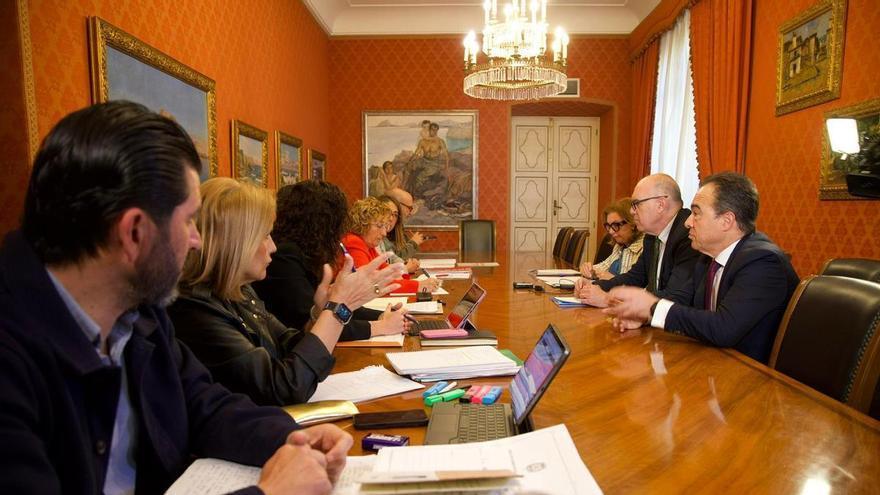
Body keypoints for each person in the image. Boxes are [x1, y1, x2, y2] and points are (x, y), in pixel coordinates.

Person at [0, 100, 351, 494]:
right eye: (188, 221)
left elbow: (204, 405)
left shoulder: (139, 314)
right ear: (135, 233)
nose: (197, 240)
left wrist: (291, 439)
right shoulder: (12, 357)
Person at [168, 178, 404, 406]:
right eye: (264, 236)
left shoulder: (240, 291)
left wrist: (321, 314)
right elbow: (285, 387)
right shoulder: (194, 310)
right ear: (234, 242)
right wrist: (338, 310)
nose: (273, 246)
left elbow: (289, 343)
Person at [603, 172, 799, 363]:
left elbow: (723, 328)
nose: (688, 222)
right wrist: (644, 315)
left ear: (726, 221)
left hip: (751, 374)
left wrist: (652, 307)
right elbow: (682, 300)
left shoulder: (762, 262)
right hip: (712, 361)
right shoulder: (708, 257)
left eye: (696, 213)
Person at [252, 180, 409, 338]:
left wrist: (380, 316)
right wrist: (379, 326)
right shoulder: (285, 257)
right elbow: (318, 324)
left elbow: (335, 309)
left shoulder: (306, 253)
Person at [574, 174, 699, 307]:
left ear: (660, 205)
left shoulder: (689, 236)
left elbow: (675, 298)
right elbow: (634, 278)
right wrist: (594, 285)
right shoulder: (651, 236)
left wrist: (609, 300)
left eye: (636, 204)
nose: (631, 211)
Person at [342, 197, 440, 295]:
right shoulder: (354, 243)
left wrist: (406, 279)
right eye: (379, 226)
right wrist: (418, 285)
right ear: (362, 224)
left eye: (385, 226)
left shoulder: (368, 246)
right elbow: (371, 286)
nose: (384, 233)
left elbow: (389, 273)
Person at [580, 198, 645, 280]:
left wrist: (614, 279)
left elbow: (641, 284)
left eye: (616, 225)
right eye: (609, 226)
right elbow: (604, 266)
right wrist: (587, 269)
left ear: (632, 223)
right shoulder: (620, 246)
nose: (611, 231)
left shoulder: (644, 248)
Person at [377, 194, 421, 274]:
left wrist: (406, 264)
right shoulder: (362, 241)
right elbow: (379, 272)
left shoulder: (386, 238)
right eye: (387, 212)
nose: (391, 218)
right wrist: (406, 268)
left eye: (395, 215)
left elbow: (394, 258)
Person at [386, 187, 428, 259]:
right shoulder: (387, 228)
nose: (410, 213)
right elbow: (395, 257)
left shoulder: (398, 226)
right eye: (409, 208)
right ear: (397, 205)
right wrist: (414, 242)